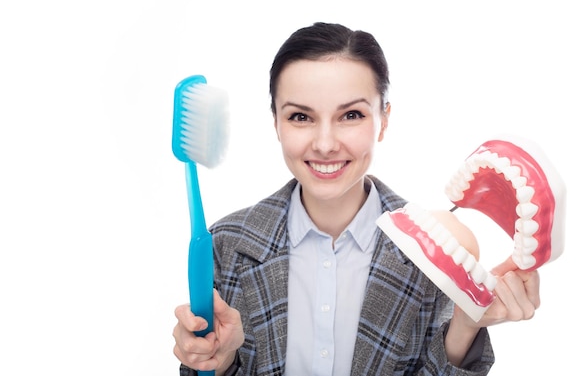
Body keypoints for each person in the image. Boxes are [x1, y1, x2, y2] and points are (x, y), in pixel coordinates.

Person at [172, 22, 541, 376]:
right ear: (276, 124)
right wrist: (219, 364)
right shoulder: (225, 246)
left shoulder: (437, 254)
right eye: (301, 116)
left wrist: (465, 326)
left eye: (351, 115)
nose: (326, 144)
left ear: (384, 119)